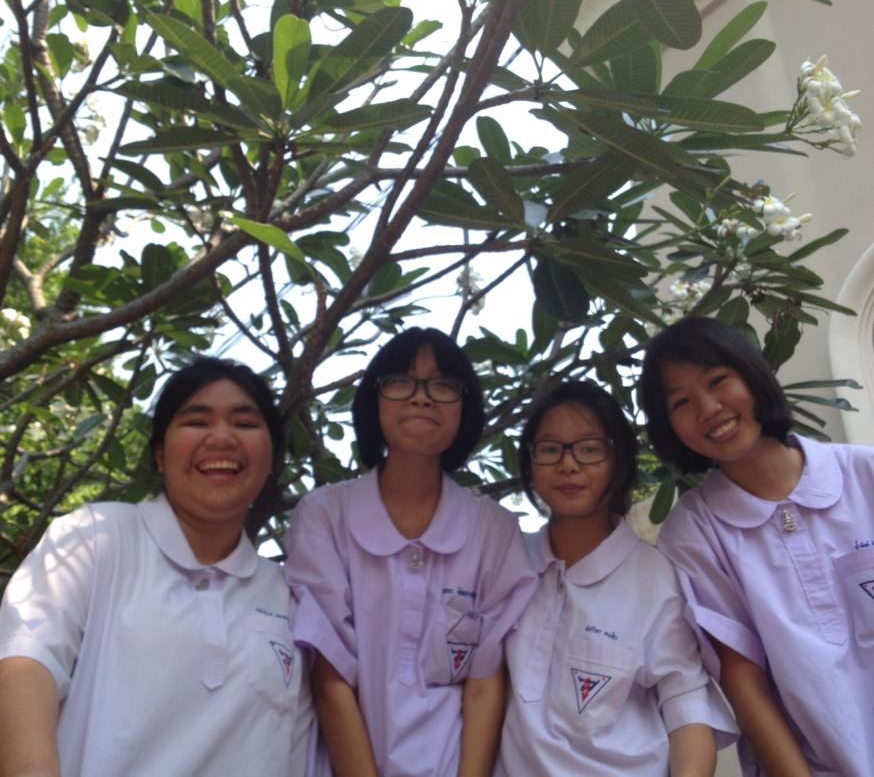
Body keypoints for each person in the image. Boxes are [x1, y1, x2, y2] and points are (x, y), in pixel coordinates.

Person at [0, 357, 313, 777]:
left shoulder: (289, 596)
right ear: (160, 455)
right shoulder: (97, 536)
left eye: (244, 423)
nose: (222, 437)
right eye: (197, 421)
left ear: (272, 459)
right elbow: (25, 658)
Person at [284, 326, 537, 777]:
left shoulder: (495, 530)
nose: (421, 398)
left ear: (464, 407)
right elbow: (329, 678)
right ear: (373, 400)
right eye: (401, 382)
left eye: (442, 385)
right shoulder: (323, 516)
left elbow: (485, 684)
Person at [640, 315, 874, 777]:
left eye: (717, 380)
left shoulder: (864, 475)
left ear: (752, 374)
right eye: (682, 401)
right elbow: (741, 677)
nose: (709, 408)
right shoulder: (692, 534)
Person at [496, 380, 736, 777]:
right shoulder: (507, 561)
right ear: (529, 463)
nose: (568, 464)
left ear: (620, 462)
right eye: (550, 449)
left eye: (589, 449)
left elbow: (686, 707)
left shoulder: (655, 577)